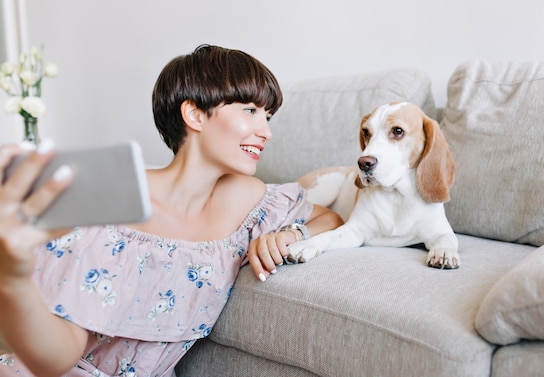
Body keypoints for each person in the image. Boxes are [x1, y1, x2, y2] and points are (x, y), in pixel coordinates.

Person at [0, 44, 343, 377]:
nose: (266, 131)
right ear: (194, 114)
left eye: (268, 116)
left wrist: (292, 234)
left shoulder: (249, 201)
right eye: (250, 110)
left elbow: (329, 219)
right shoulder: (109, 206)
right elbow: (55, 360)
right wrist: (13, 279)